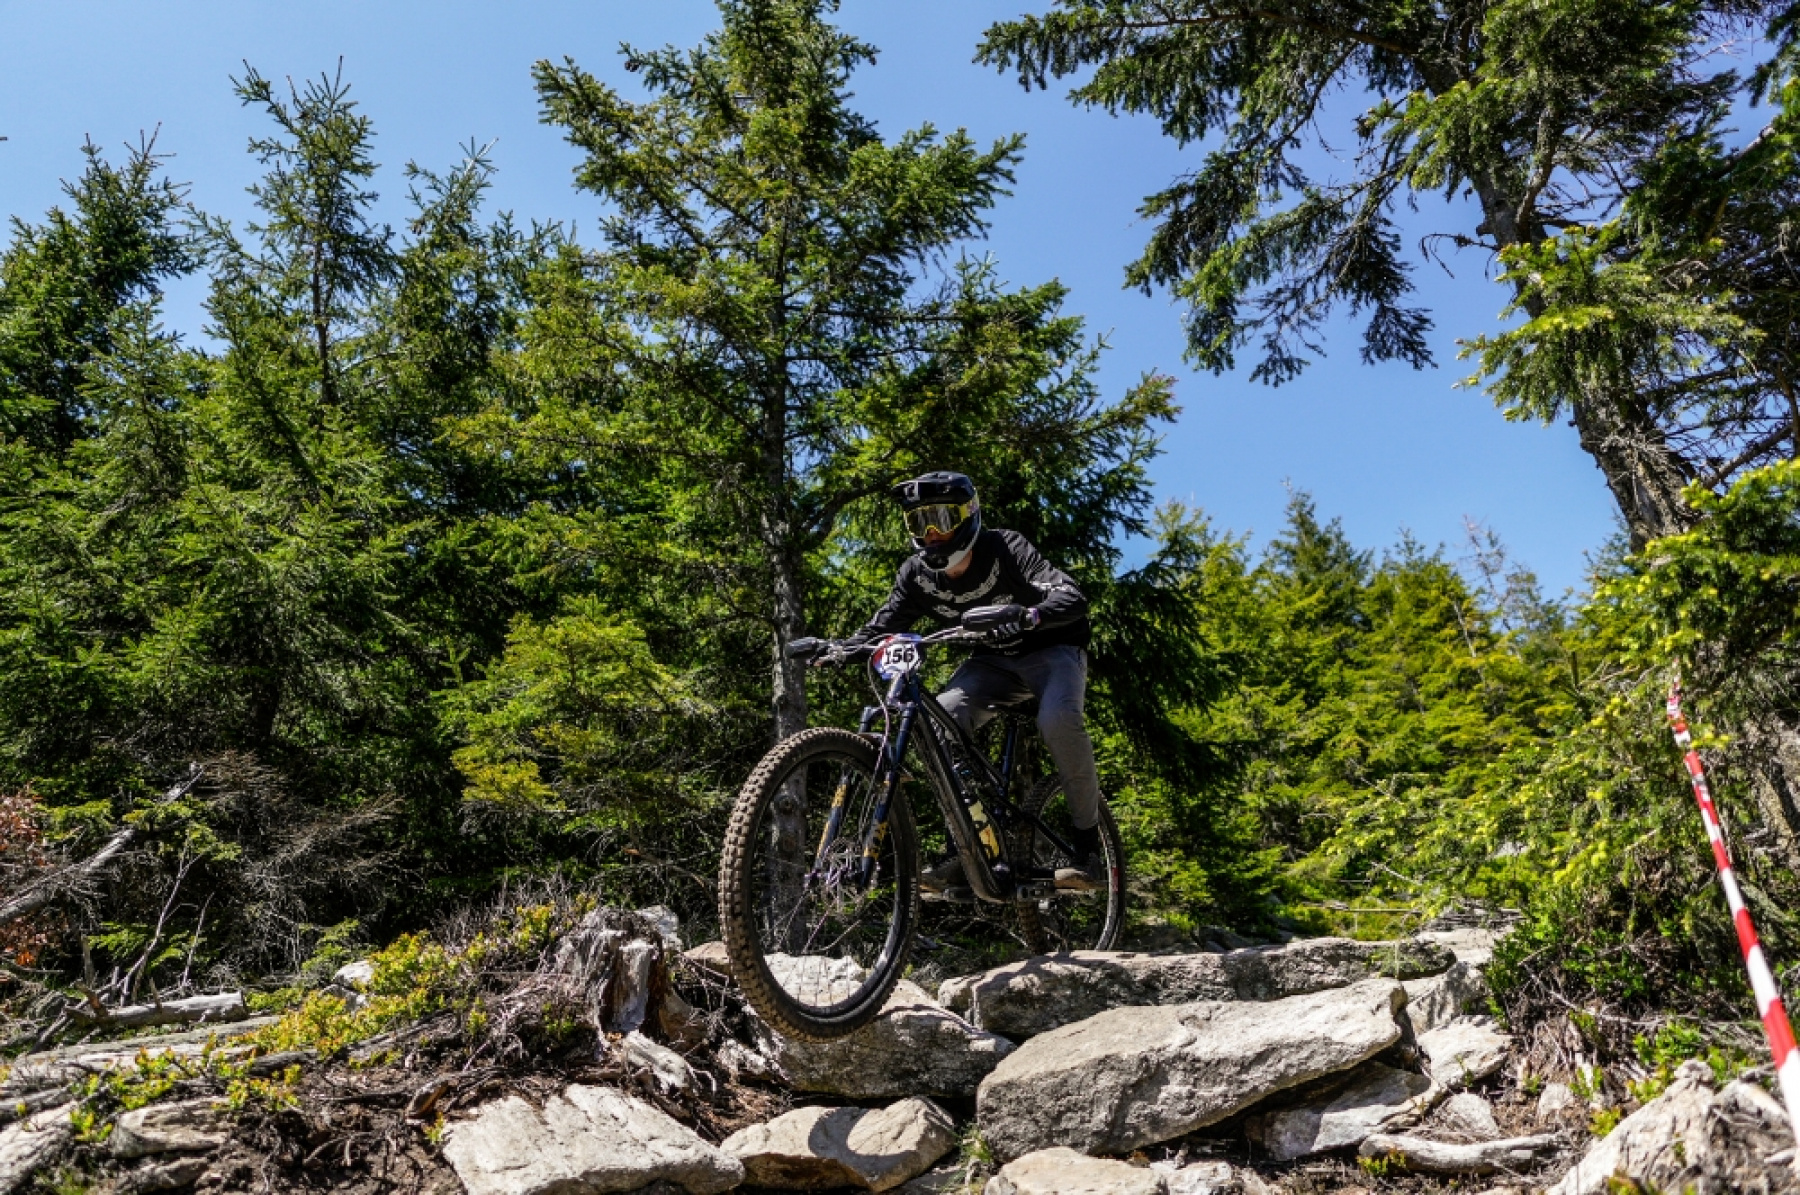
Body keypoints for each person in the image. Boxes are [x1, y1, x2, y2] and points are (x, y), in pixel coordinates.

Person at [838, 470, 1106, 894]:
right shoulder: (916, 574)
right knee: (941, 722)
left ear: (968, 515)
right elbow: (881, 628)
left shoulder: (1006, 548)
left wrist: (1031, 614)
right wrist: (836, 649)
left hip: (1053, 651)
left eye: (941, 519)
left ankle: (1088, 847)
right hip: (991, 663)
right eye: (919, 522)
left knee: (1058, 720)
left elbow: (1072, 596)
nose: (930, 533)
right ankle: (966, 849)